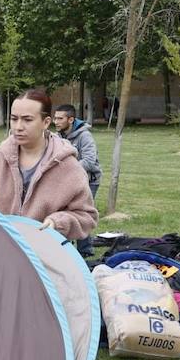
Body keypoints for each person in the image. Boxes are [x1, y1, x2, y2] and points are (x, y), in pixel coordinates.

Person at [0, 88, 97, 240]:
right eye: (14, 119)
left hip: (44, 257)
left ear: (46, 122)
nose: (18, 127)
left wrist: (58, 223)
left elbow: (86, 216)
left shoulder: (68, 167)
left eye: (27, 119)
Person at [52, 103, 102, 257]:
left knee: (81, 214)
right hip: (67, 181)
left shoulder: (84, 135)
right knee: (64, 213)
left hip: (89, 181)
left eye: (60, 118)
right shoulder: (58, 136)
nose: (56, 121)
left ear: (71, 119)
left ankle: (85, 251)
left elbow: (89, 161)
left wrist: (67, 169)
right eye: (55, 118)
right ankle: (65, 248)